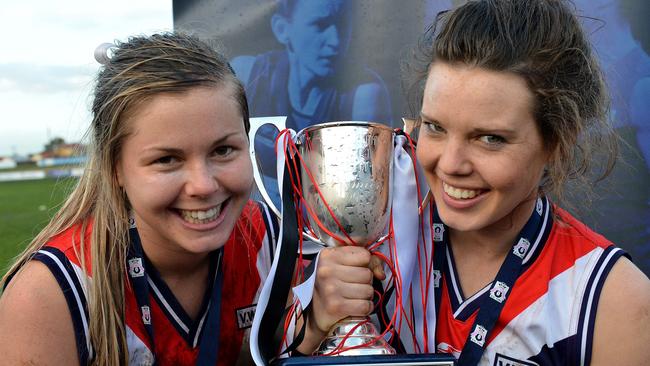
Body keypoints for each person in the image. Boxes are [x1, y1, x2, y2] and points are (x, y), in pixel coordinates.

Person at [279, 1, 650, 365]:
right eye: (436, 128)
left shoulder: (611, 300)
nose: (450, 165)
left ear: (557, 142)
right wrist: (312, 330)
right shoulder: (366, 253)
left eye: (490, 138)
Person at [0, 33, 278, 365]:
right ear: (115, 168)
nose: (203, 185)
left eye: (223, 150)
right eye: (167, 159)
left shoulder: (273, 240)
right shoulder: (50, 294)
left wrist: (306, 332)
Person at [231, 0, 393, 209]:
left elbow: (364, 198)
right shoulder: (248, 73)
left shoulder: (365, 92)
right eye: (320, 25)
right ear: (282, 30)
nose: (335, 40)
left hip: (332, 228)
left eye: (341, 24)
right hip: (256, 229)